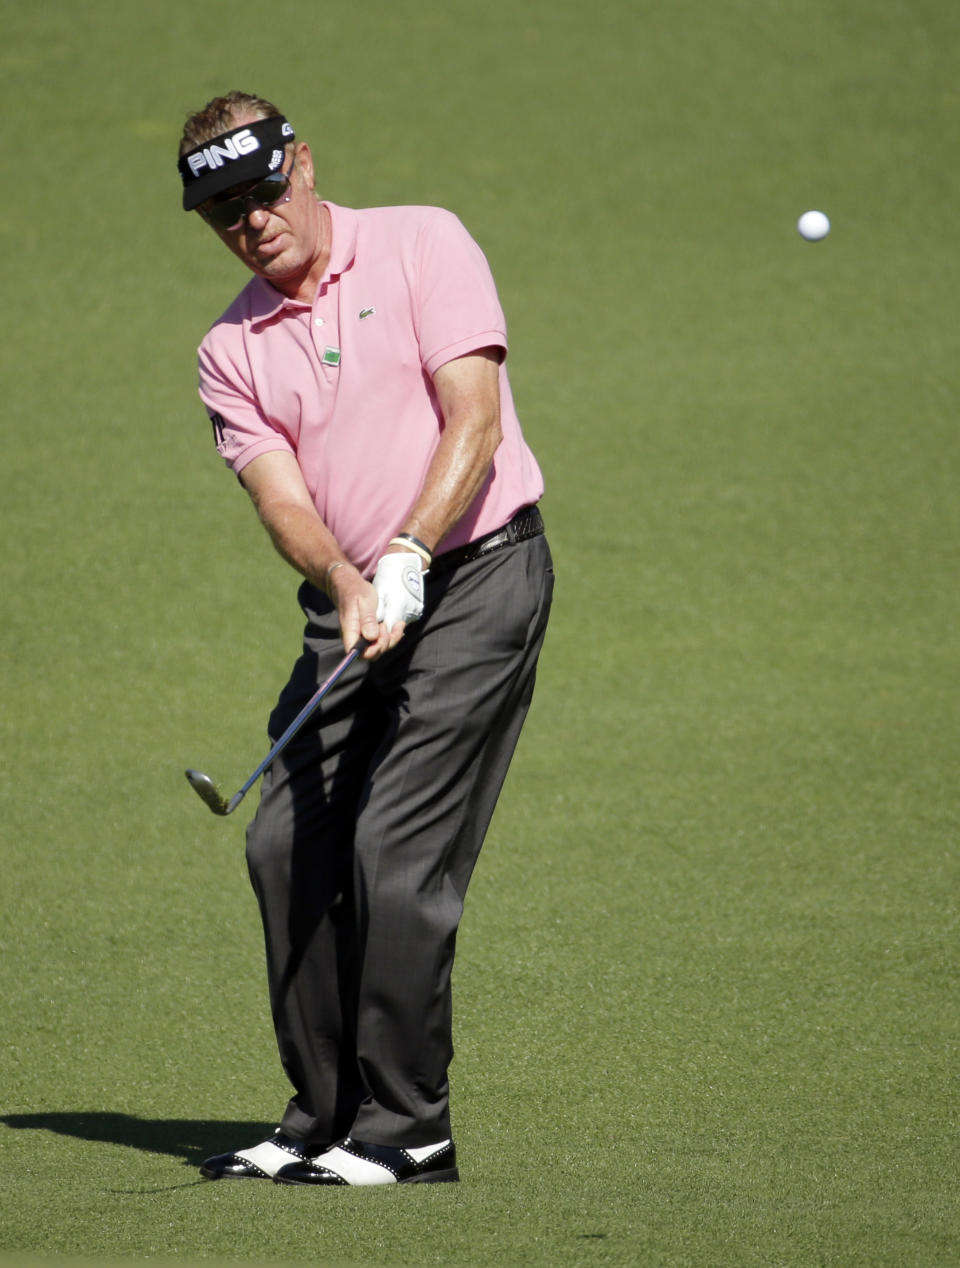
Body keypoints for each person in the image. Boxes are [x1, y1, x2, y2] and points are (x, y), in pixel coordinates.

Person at [177, 92, 553, 1188]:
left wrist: (409, 547)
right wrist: (347, 573)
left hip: (480, 574)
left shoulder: (422, 241)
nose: (250, 220)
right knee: (283, 844)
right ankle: (323, 1111)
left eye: (261, 191)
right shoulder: (228, 347)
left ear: (301, 162)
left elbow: (474, 417)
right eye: (223, 211)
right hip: (352, 606)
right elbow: (280, 498)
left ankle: (409, 1125)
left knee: (396, 848)